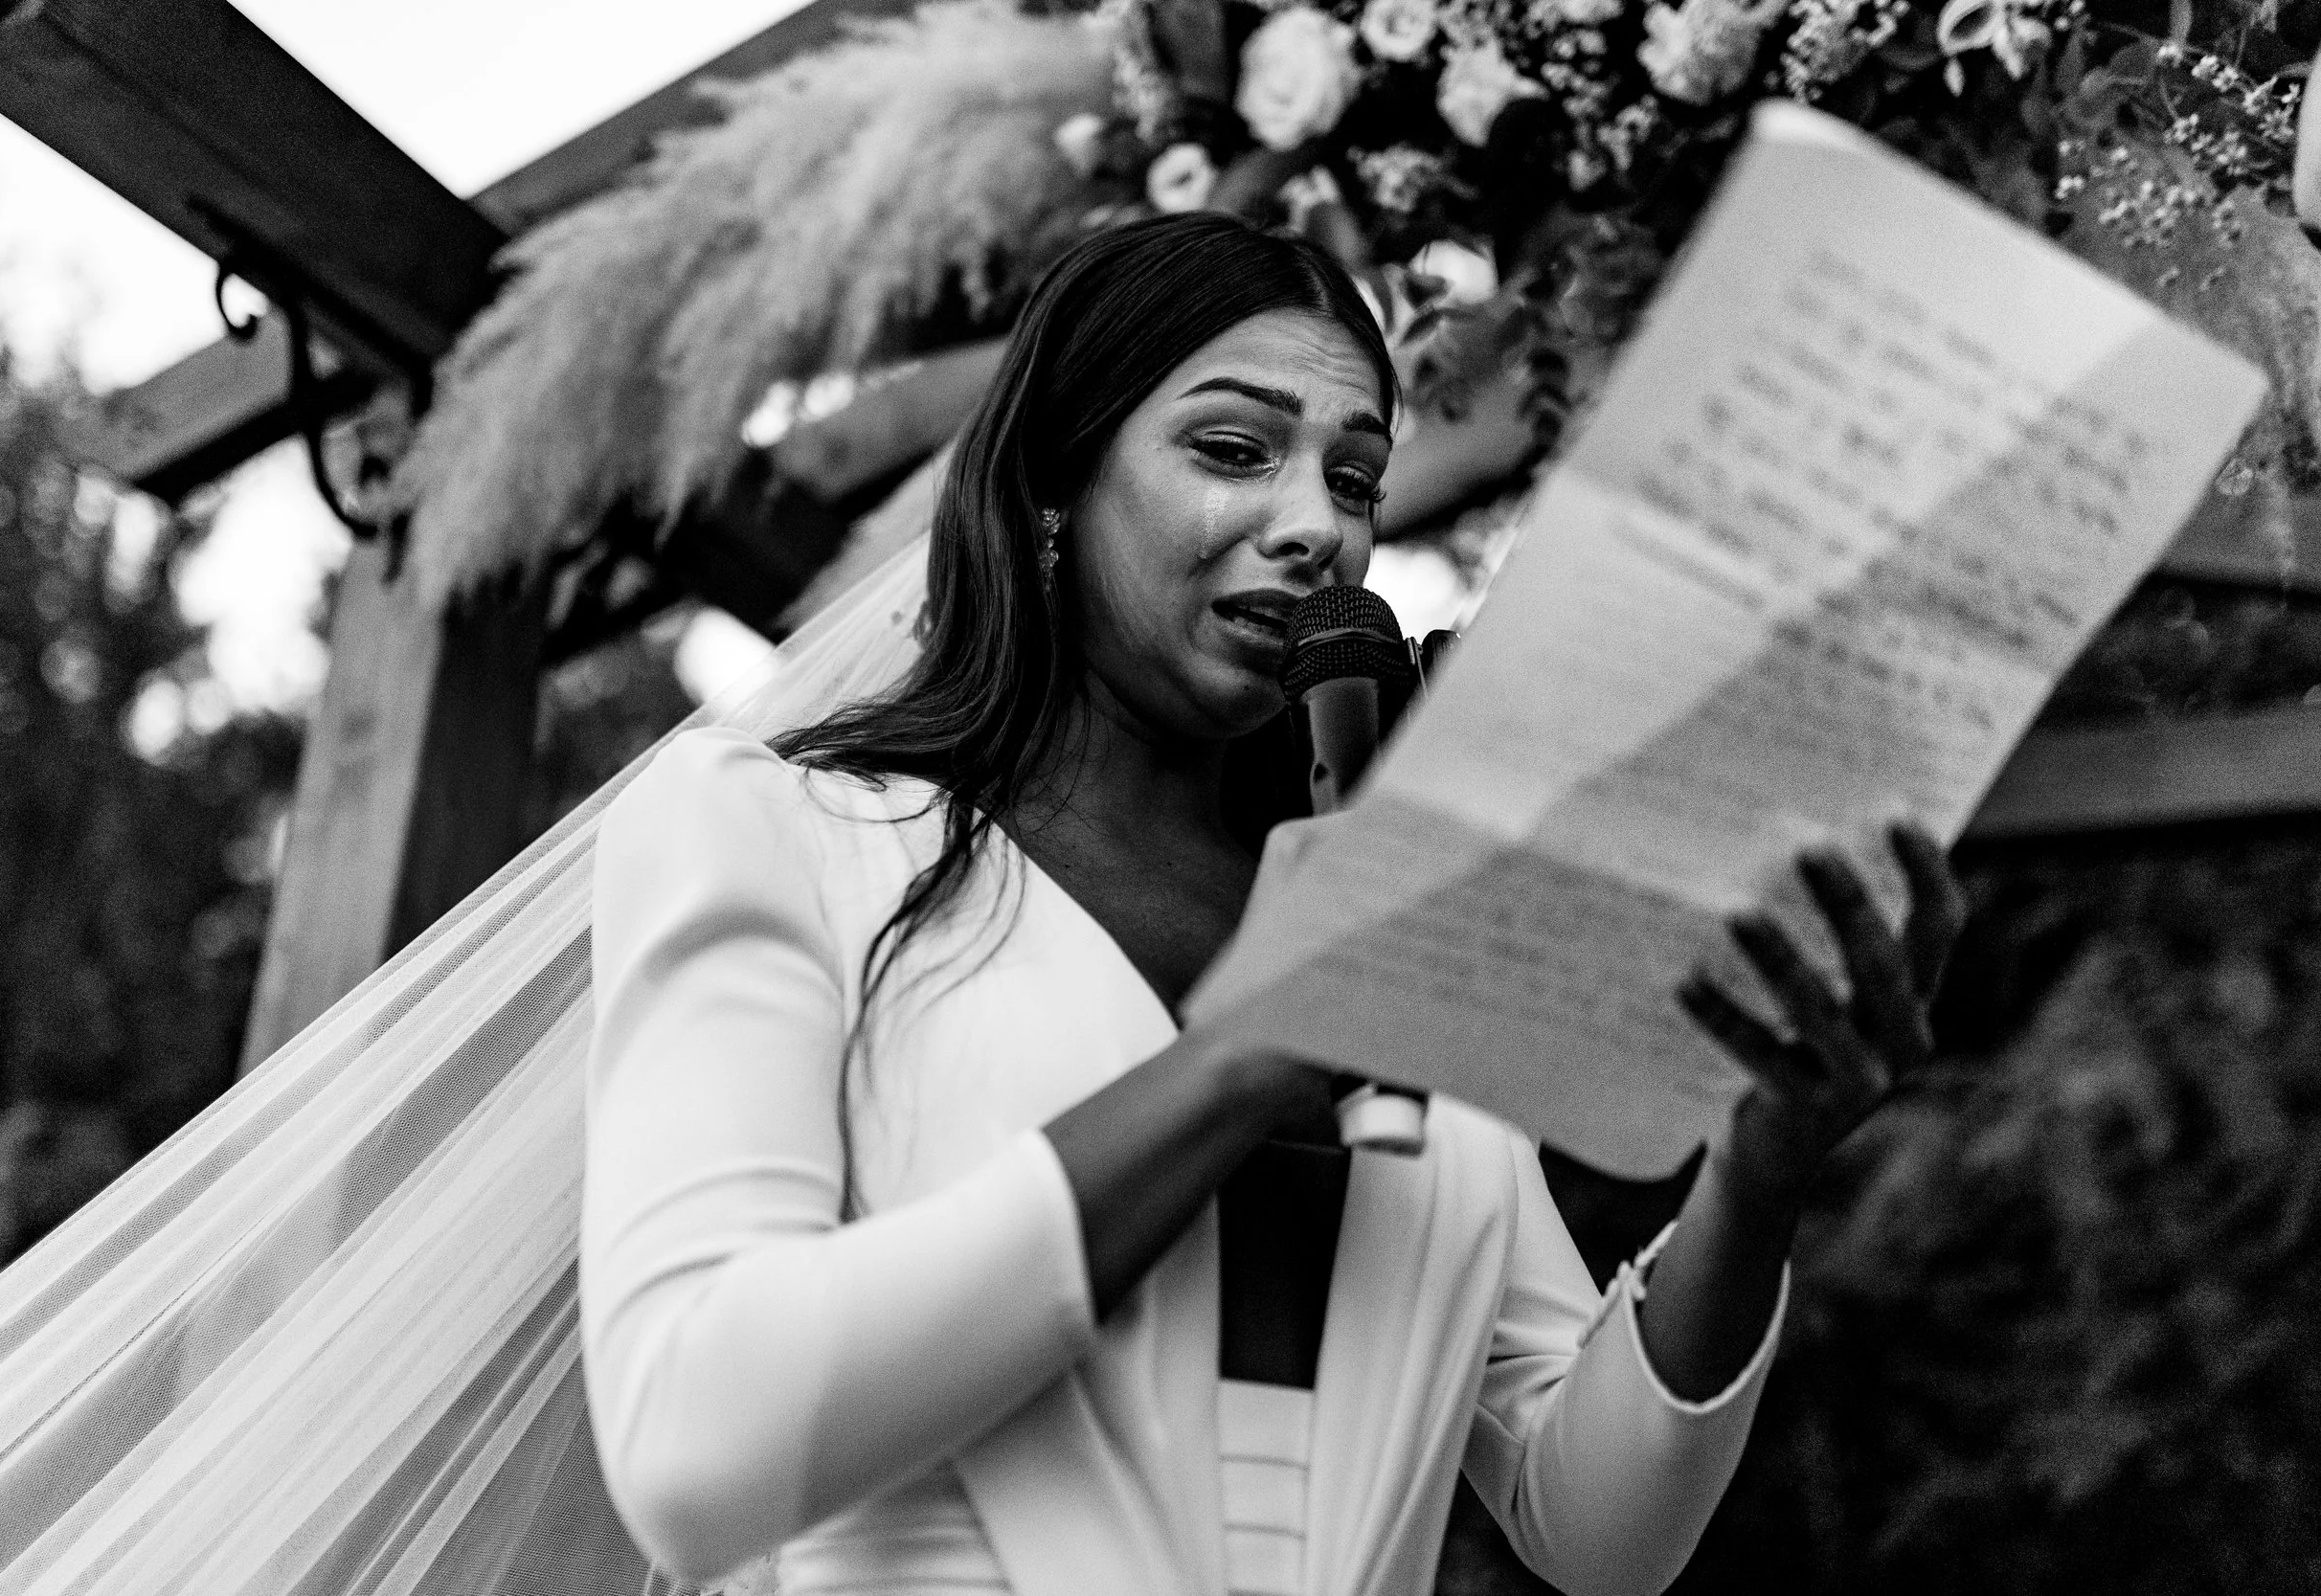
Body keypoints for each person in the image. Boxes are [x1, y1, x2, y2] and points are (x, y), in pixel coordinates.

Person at [581, 213, 1965, 1596]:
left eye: (1355, 476)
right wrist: (1248, 1053)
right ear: (1056, 480)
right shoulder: (777, 833)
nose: (1319, 526)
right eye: (1235, 450)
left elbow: (1597, 1530)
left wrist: (1759, 1169)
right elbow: (696, 1449)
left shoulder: (1392, 925)